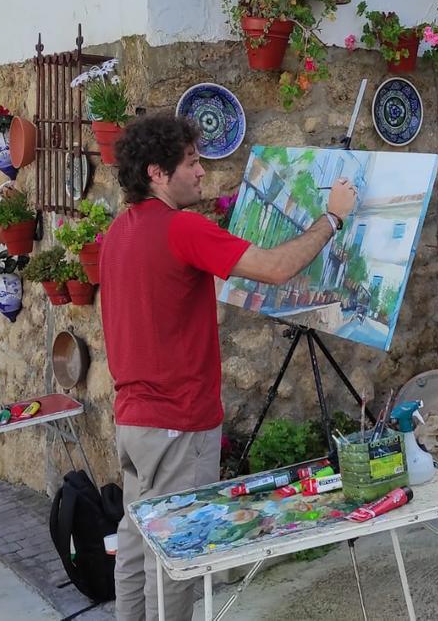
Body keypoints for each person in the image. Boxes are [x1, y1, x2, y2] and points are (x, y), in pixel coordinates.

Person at [100, 112, 357, 621]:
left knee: (135, 543)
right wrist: (333, 217)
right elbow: (278, 268)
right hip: (177, 422)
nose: (202, 173)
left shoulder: (118, 231)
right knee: (178, 552)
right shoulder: (181, 229)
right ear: (157, 172)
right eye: (192, 163)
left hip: (135, 420)